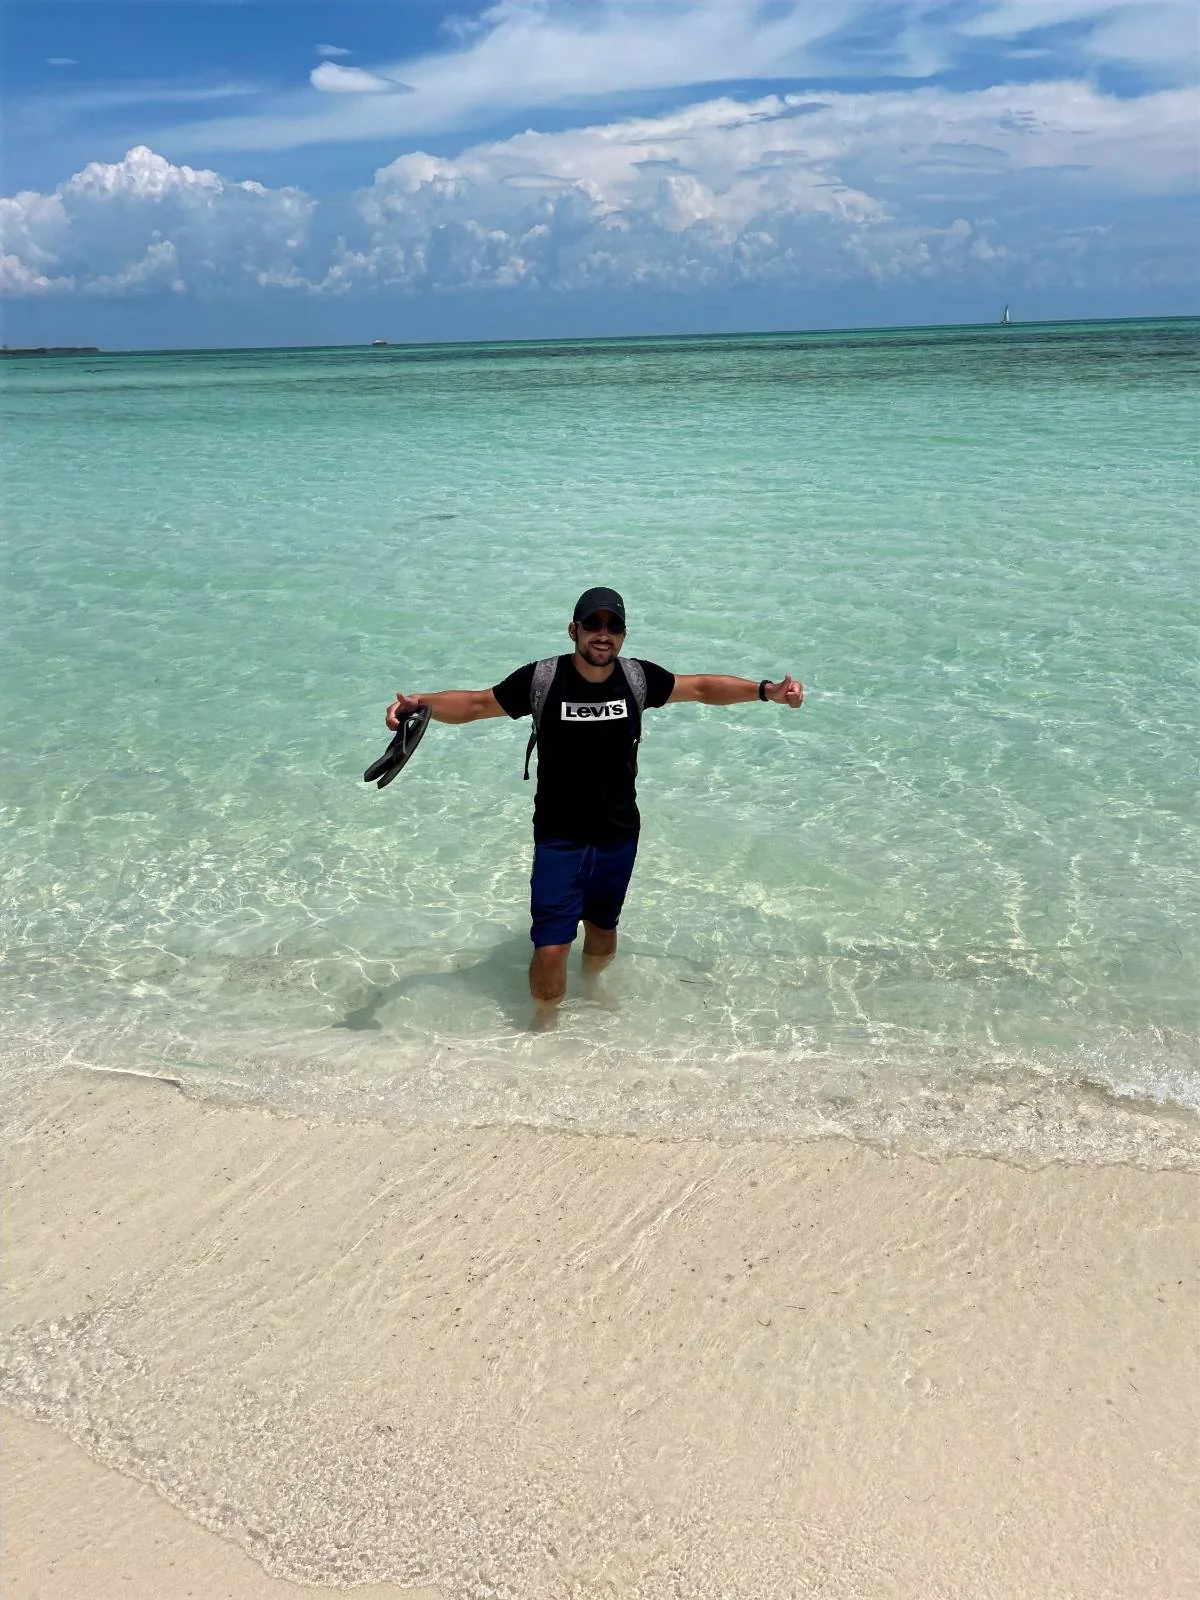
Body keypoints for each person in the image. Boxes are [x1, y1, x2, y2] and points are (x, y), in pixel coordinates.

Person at [385, 586, 804, 1018]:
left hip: (618, 833)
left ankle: (591, 990)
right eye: (593, 625)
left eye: (613, 626)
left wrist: (766, 691)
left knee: (603, 933)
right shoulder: (542, 679)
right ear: (574, 630)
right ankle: (544, 1027)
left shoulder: (638, 679)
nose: (603, 635)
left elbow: (699, 687)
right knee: (550, 948)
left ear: (623, 636)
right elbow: (475, 704)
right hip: (558, 836)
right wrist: (422, 704)